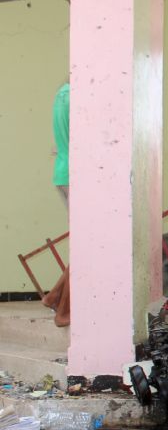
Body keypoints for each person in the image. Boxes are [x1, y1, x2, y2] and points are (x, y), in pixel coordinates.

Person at [42, 81, 71, 327]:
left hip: (63, 172)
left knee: (84, 243)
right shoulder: (77, 96)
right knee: (87, 247)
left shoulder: (61, 93)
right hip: (76, 175)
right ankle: (64, 310)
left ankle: (55, 298)